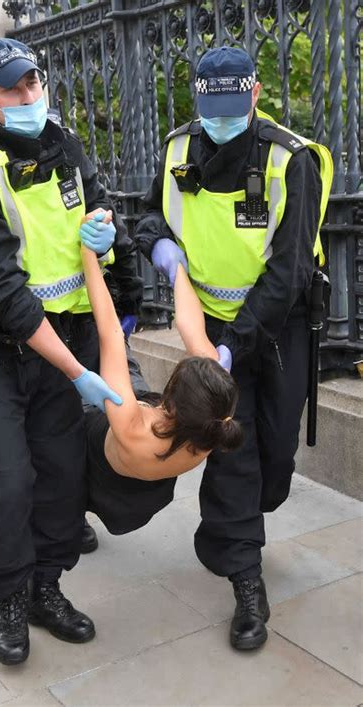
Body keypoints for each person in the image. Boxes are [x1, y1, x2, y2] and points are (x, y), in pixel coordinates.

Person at [0, 37, 138, 666]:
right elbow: (6, 295)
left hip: (58, 340)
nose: (31, 96)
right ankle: (7, 597)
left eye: (35, 82)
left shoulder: (63, 144)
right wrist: (79, 373)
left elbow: (95, 208)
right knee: (8, 480)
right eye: (13, 89)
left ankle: (45, 587)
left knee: (61, 473)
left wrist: (106, 231)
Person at [136, 46, 333, 650]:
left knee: (274, 457)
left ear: (253, 96)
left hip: (279, 328)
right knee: (231, 450)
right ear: (198, 101)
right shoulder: (176, 151)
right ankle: (244, 577)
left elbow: (291, 268)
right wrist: (158, 248)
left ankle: (255, 513)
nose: (219, 119)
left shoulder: (290, 160)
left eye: (232, 106)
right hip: (211, 331)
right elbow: (152, 219)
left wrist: (235, 347)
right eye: (208, 107)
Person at [79, 224, 242, 533]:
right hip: (151, 484)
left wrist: (89, 255)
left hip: (103, 469)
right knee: (126, 379)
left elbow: (110, 334)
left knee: (59, 423)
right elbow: (188, 323)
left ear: (171, 403)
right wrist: (177, 268)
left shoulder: (134, 430)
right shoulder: (214, 424)